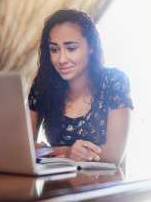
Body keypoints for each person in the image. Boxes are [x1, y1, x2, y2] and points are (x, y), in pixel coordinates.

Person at [28, 9, 134, 165]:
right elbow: (24, 147)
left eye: (71, 48)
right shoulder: (43, 83)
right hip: (56, 184)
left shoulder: (115, 81)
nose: (61, 59)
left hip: (104, 185)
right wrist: (65, 152)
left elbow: (114, 154)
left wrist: (51, 152)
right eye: (54, 50)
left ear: (91, 47)